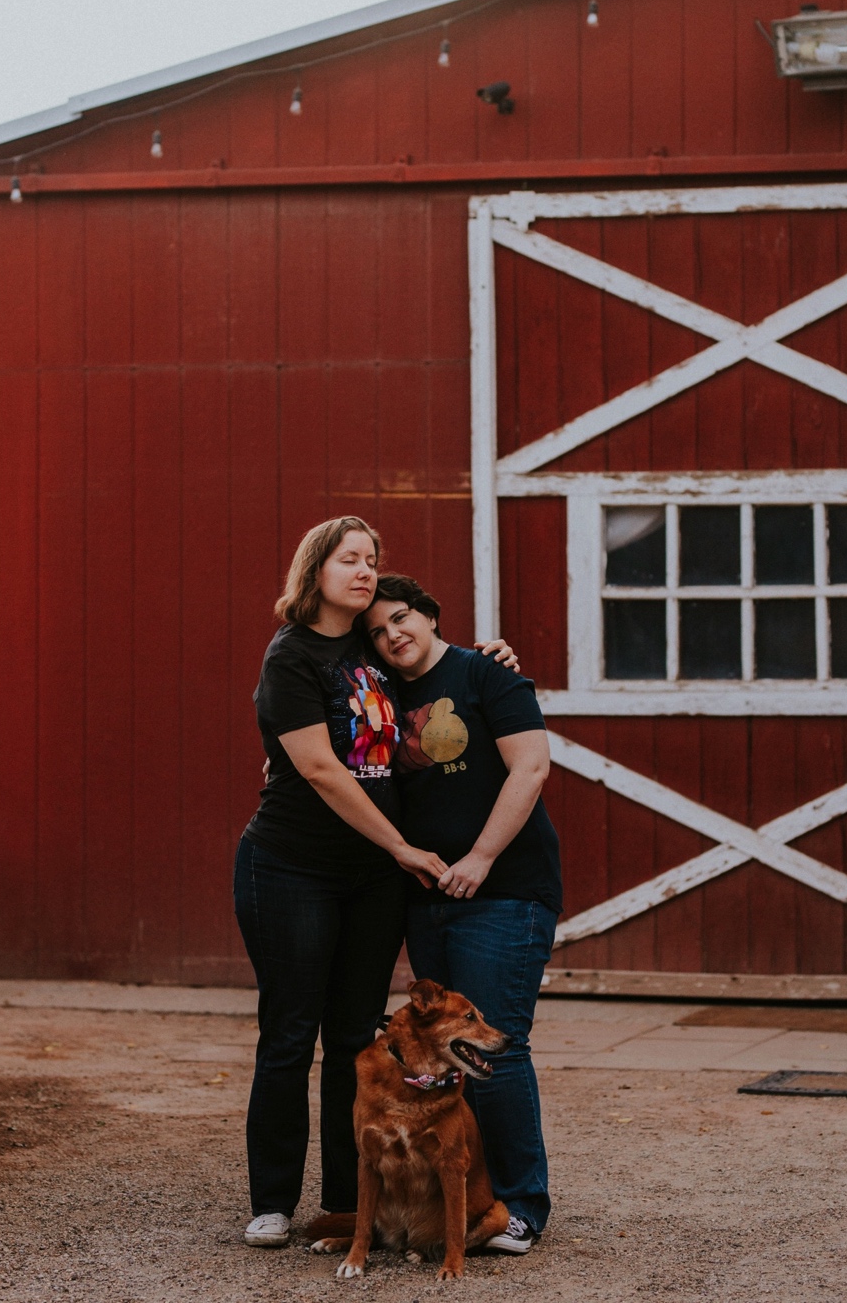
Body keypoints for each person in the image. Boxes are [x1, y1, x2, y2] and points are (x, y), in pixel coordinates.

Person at [234, 517, 515, 1248]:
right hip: (291, 867)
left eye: (372, 561)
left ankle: (339, 1202)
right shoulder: (291, 657)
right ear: (314, 571)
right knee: (290, 1033)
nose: (363, 571)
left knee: (355, 1035)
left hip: (369, 879)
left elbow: (428, 662)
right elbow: (322, 768)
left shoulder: (370, 647)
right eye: (348, 560)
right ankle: (271, 1201)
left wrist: (486, 657)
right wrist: (403, 847)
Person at [364, 573, 563, 1256]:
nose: (393, 635)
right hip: (429, 902)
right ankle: (468, 1207)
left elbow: (531, 769)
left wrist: (479, 857)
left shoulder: (487, 675)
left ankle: (523, 1208)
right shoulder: (384, 696)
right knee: (448, 1058)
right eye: (379, 631)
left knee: (497, 1051)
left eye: (401, 618)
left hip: (503, 894)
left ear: (427, 614)